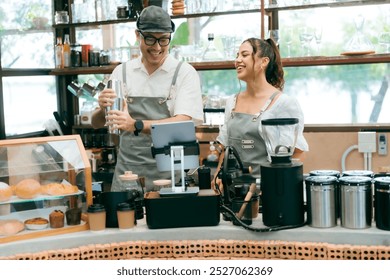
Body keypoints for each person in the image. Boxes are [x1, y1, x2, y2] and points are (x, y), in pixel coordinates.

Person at [91, 6, 203, 191]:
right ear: (138, 35)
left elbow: (184, 122)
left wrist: (135, 124)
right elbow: (96, 123)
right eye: (150, 38)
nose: (157, 47)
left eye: (164, 40)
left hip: (169, 177)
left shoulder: (183, 72)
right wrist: (102, 108)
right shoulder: (122, 72)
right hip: (127, 175)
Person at [212, 37, 309, 187]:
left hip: (266, 192)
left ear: (264, 62)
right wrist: (218, 176)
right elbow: (225, 148)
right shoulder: (232, 101)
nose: (237, 60)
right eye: (237, 55)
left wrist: (276, 186)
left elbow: (297, 152)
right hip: (231, 194)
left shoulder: (283, 103)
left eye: (244, 55)